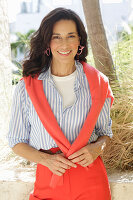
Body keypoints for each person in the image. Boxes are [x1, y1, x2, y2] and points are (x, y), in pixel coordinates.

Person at [7, 7, 114, 200]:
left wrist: (98, 148)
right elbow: (16, 141)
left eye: (70, 36)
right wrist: (45, 160)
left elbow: (105, 133)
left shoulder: (99, 83)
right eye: (56, 37)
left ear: (80, 40)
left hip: (90, 178)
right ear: (47, 42)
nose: (64, 44)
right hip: (49, 177)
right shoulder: (27, 87)